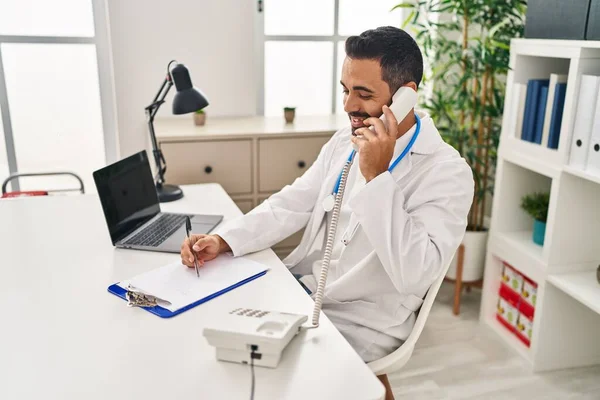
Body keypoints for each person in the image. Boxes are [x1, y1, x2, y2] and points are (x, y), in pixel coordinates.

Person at [181, 26, 474, 399]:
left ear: (405, 95)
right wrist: (225, 239)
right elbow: (292, 202)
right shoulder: (345, 141)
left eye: (363, 94)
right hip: (309, 292)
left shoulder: (446, 172)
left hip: (367, 321)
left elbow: (414, 273)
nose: (349, 105)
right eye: (345, 90)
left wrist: (377, 177)